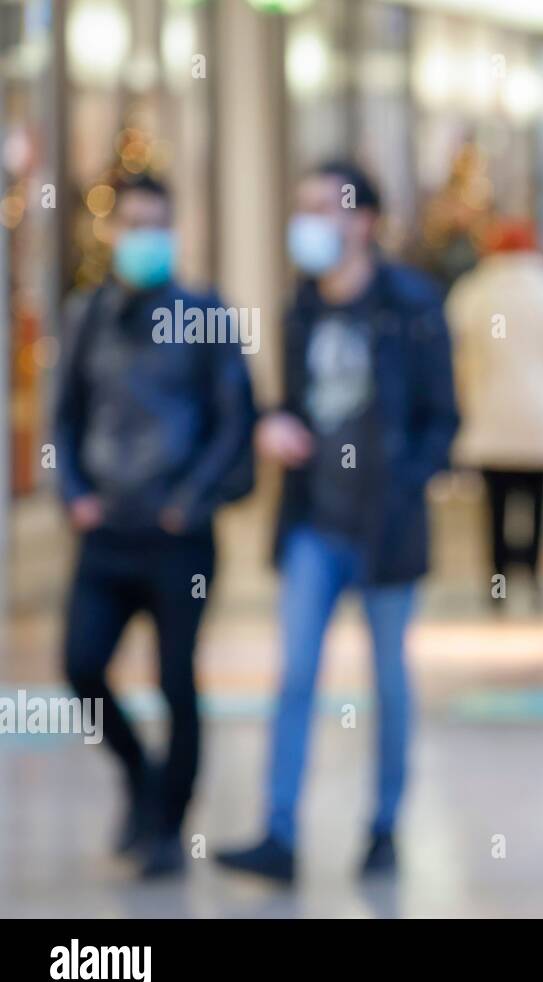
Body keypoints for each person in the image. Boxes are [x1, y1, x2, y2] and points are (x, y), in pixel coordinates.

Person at [216, 162, 458, 882]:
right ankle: (279, 833)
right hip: (312, 523)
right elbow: (290, 400)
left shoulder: (413, 304)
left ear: (366, 221)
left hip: (386, 527)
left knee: (389, 681)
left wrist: (403, 479)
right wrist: (273, 425)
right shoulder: (301, 308)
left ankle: (383, 826)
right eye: (305, 205)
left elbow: (442, 419)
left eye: (325, 206)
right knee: (294, 677)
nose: (311, 221)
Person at [54, 173, 256, 877]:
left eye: (156, 224)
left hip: (178, 537)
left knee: (177, 680)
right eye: (132, 223)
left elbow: (237, 422)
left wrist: (190, 500)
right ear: (112, 231)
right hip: (106, 530)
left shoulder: (203, 313)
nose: (144, 237)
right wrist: (74, 492)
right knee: (81, 665)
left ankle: (168, 825)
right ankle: (137, 779)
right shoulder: (87, 315)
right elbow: (65, 415)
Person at [446, 218, 543, 604]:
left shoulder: (471, 293)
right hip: (542, 417)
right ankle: (533, 575)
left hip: (489, 416)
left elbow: (453, 359)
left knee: (494, 507)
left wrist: (456, 410)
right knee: (538, 502)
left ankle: (496, 581)